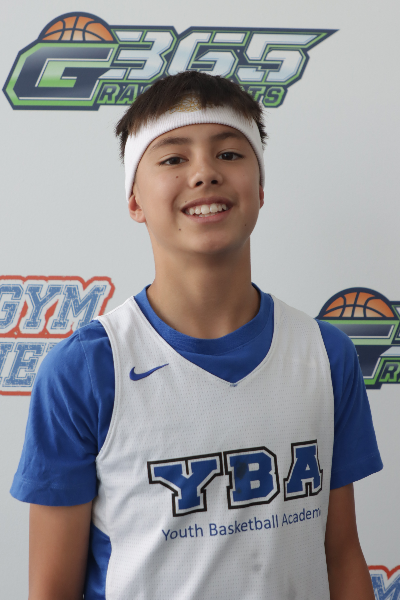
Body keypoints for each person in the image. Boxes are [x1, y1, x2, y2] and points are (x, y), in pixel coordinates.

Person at [11, 71, 382, 600]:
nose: (205, 173)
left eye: (229, 154)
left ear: (260, 188)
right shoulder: (86, 370)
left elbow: (341, 554)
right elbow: (51, 588)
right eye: (173, 158)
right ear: (135, 200)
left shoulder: (325, 355)